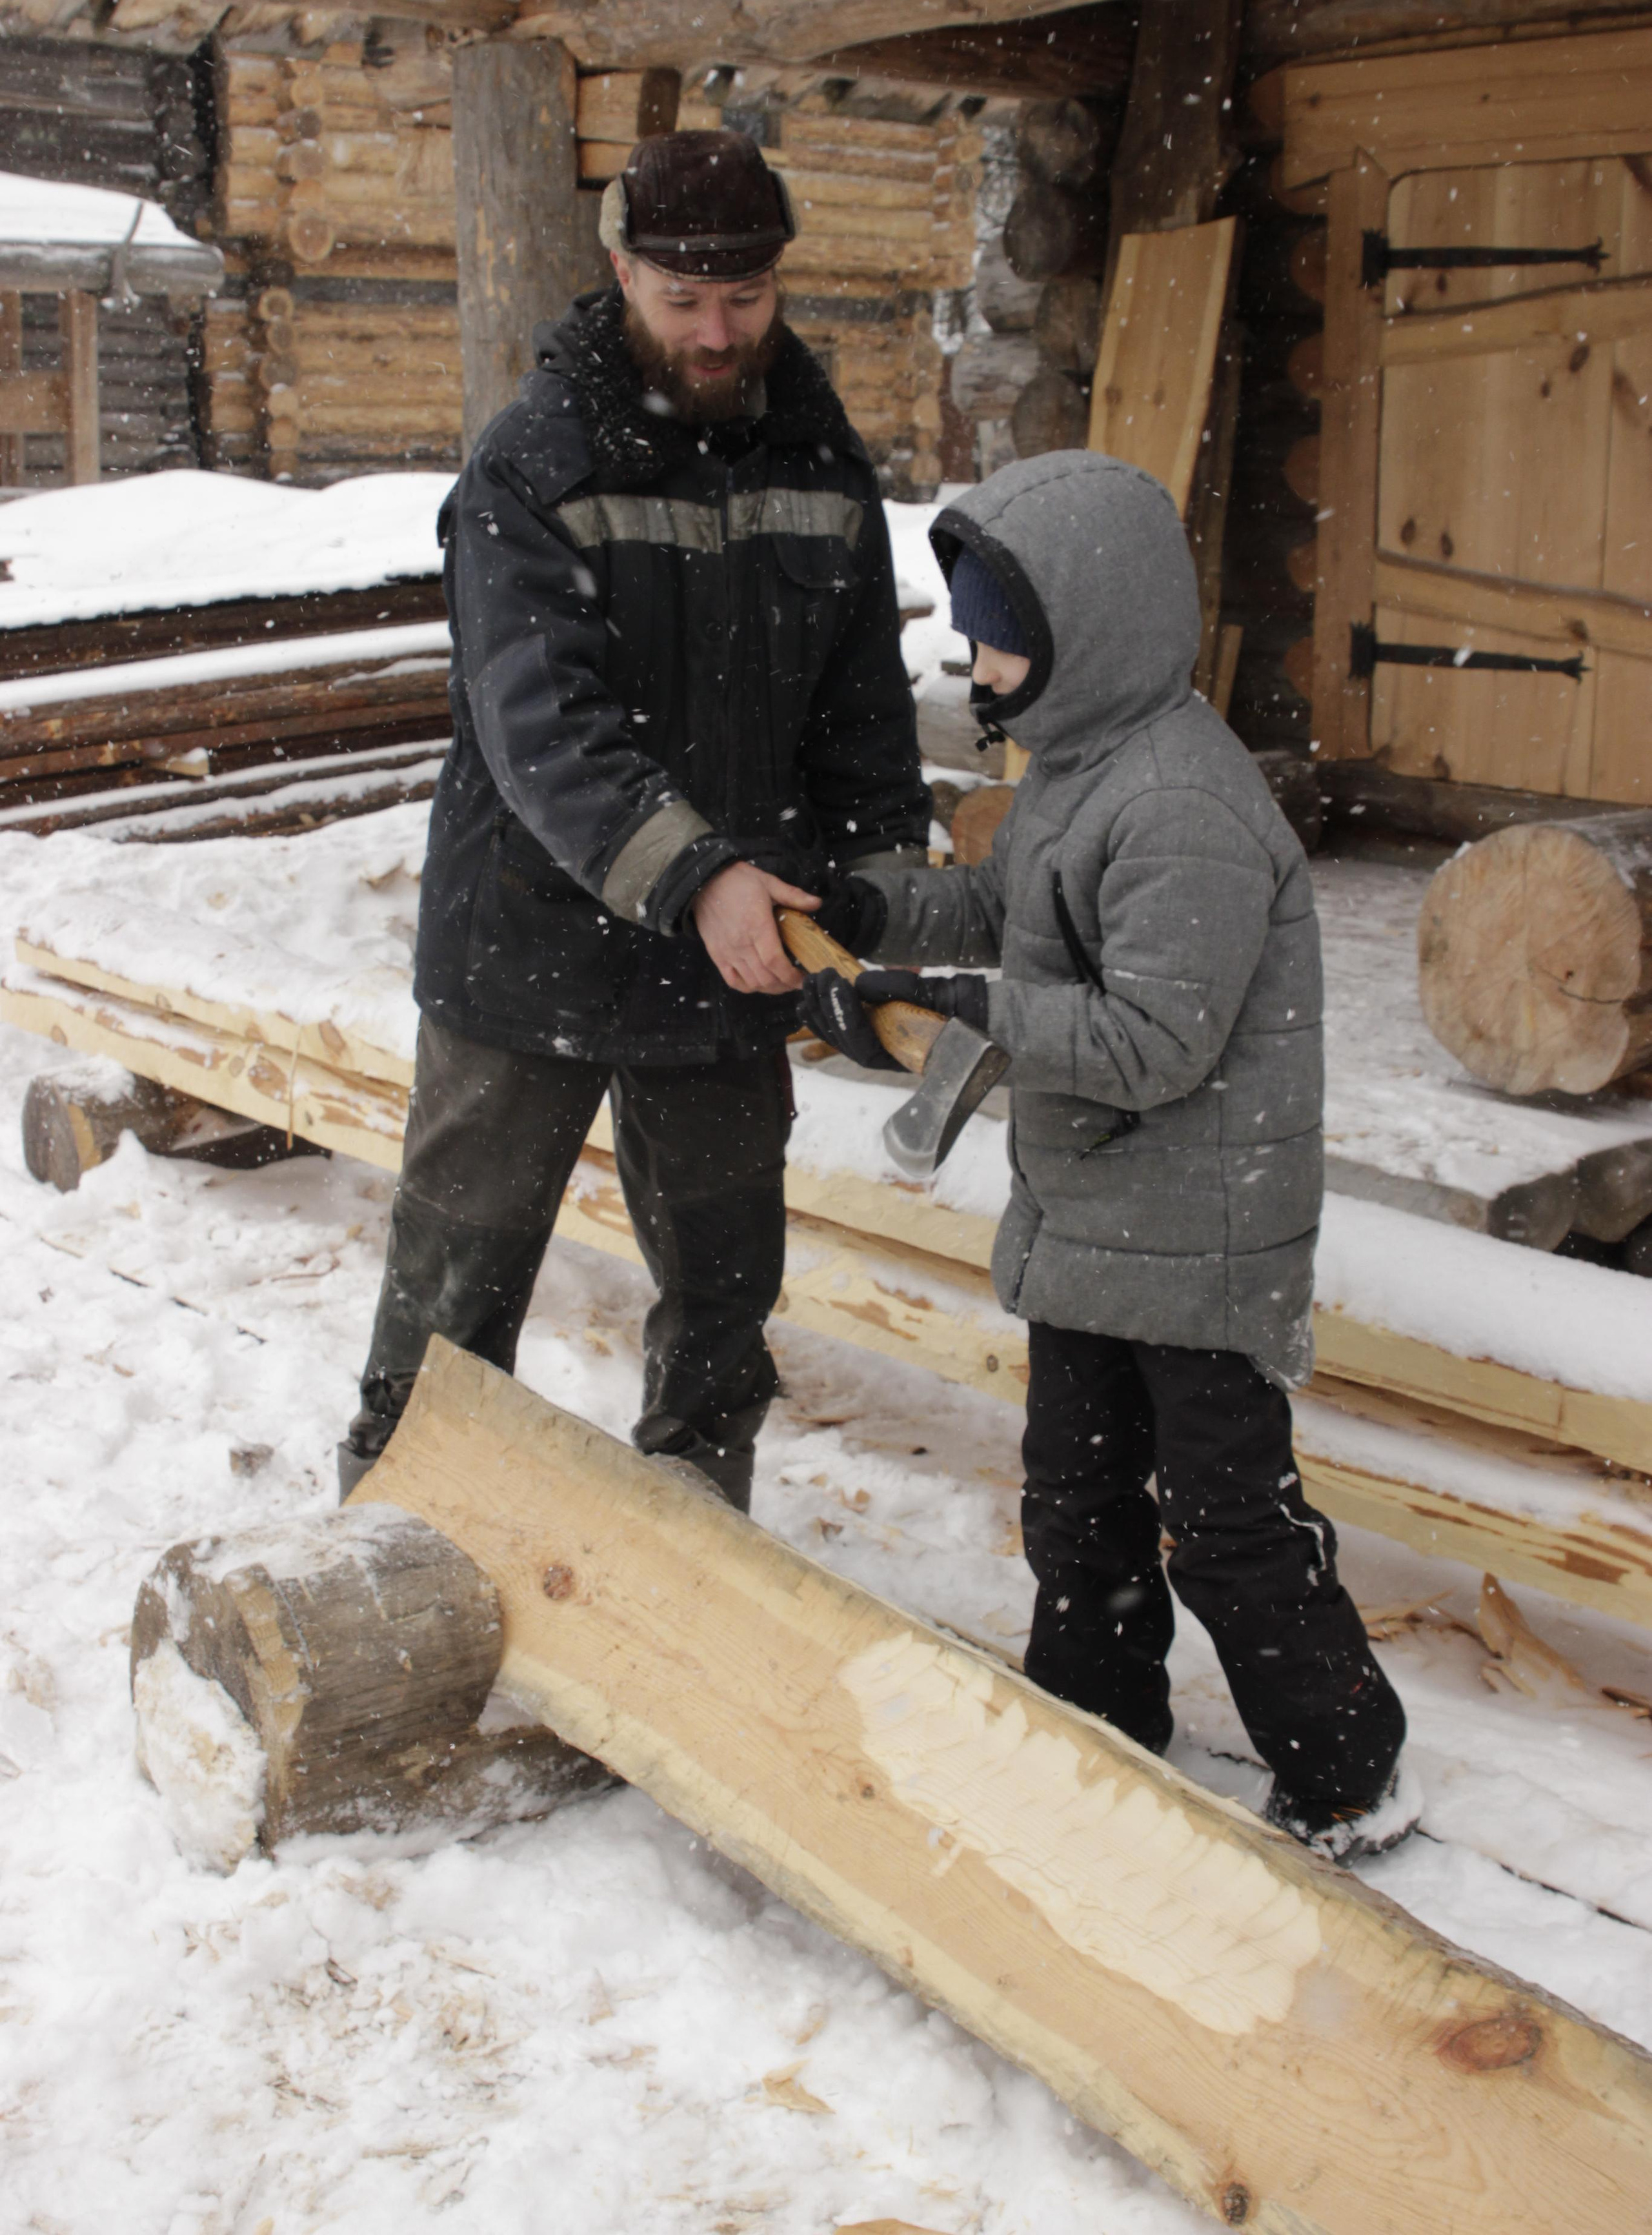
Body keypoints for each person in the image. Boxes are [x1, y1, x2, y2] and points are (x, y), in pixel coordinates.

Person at [800, 450, 1413, 1863]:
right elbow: (997, 913)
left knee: (1227, 1526)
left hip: (1199, 1238)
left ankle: (1348, 1776)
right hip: (1095, 1221)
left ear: (1093, 628)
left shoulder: (1181, 805)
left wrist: (961, 1012)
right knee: (1075, 1497)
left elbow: (1153, 1041)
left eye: (996, 639)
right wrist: (869, 912)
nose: (975, 666)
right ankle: (1096, 1717)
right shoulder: (1078, 769)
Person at [339, 129, 927, 1507]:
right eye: (684, 300)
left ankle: (698, 1511)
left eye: (746, 299)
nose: (717, 333)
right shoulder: (533, 463)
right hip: (529, 934)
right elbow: (542, 726)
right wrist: (696, 872)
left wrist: (884, 899)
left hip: (733, 951)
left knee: (724, 1281)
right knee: (459, 1274)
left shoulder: (820, 460)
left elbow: (860, 715)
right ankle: (395, 1519)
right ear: (620, 275)